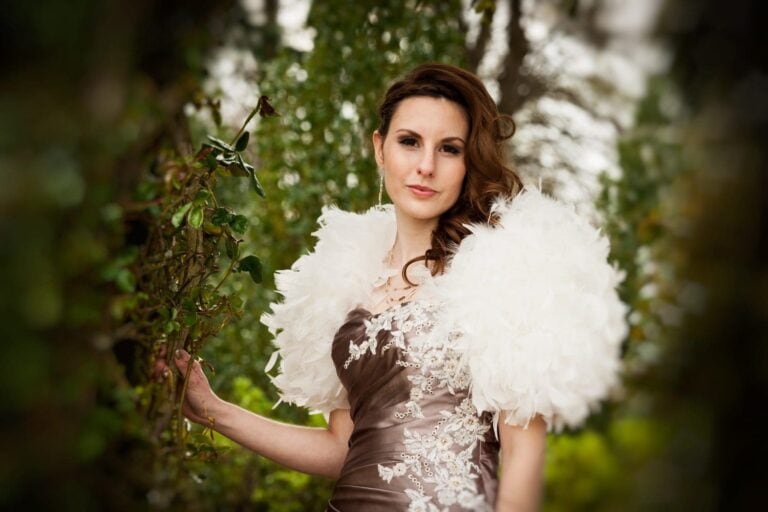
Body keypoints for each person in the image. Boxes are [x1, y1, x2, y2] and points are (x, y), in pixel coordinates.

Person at [159, 63, 629, 511]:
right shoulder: (345, 286)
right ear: (379, 147)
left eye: (449, 148)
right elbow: (343, 449)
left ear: (469, 162)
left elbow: (523, 453)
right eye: (410, 141)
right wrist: (211, 411)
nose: (426, 165)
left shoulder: (502, 270)